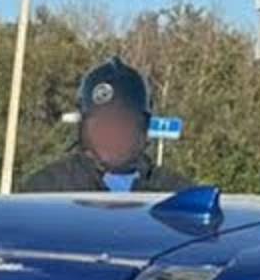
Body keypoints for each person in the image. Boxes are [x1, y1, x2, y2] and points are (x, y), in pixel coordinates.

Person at [19, 56, 195, 193]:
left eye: (123, 123)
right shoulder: (47, 188)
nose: (112, 134)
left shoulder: (174, 193)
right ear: (83, 129)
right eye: (101, 124)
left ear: (143, 128)